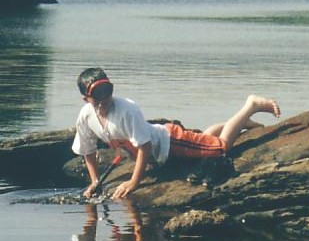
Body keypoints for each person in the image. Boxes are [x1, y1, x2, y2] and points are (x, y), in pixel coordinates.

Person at [72, 67, 281, 199]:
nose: (104, 97)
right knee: (205, 143)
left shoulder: (127, 110)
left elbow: (145, 147)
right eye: (97, 94)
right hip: (160, 155)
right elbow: (87, 151)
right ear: (86, 99)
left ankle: (251, 106)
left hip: (171, 142)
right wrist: (95, 182)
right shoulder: (86, 116)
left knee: (220, 147)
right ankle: (232, 124)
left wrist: (134, 182)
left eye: (107, 90)